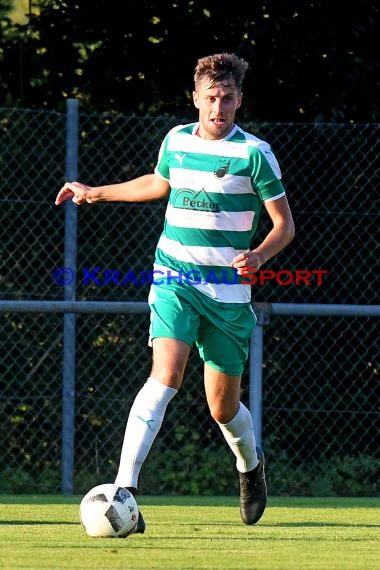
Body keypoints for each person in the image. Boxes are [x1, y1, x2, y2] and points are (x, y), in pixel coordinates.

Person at [55, 52, 295, 532]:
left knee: (222, 408)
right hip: (173, 279)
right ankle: (124, 489)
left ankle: (250, 466)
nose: (218, 107)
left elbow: (284, 225)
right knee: (165, 375)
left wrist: (261, 256)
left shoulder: (254, 153)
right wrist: (94, 191)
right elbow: (157, 183)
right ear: (196, 99)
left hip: (227, 294)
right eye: (210, 98)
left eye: (227, 98)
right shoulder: (177, 140)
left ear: (239, 100)